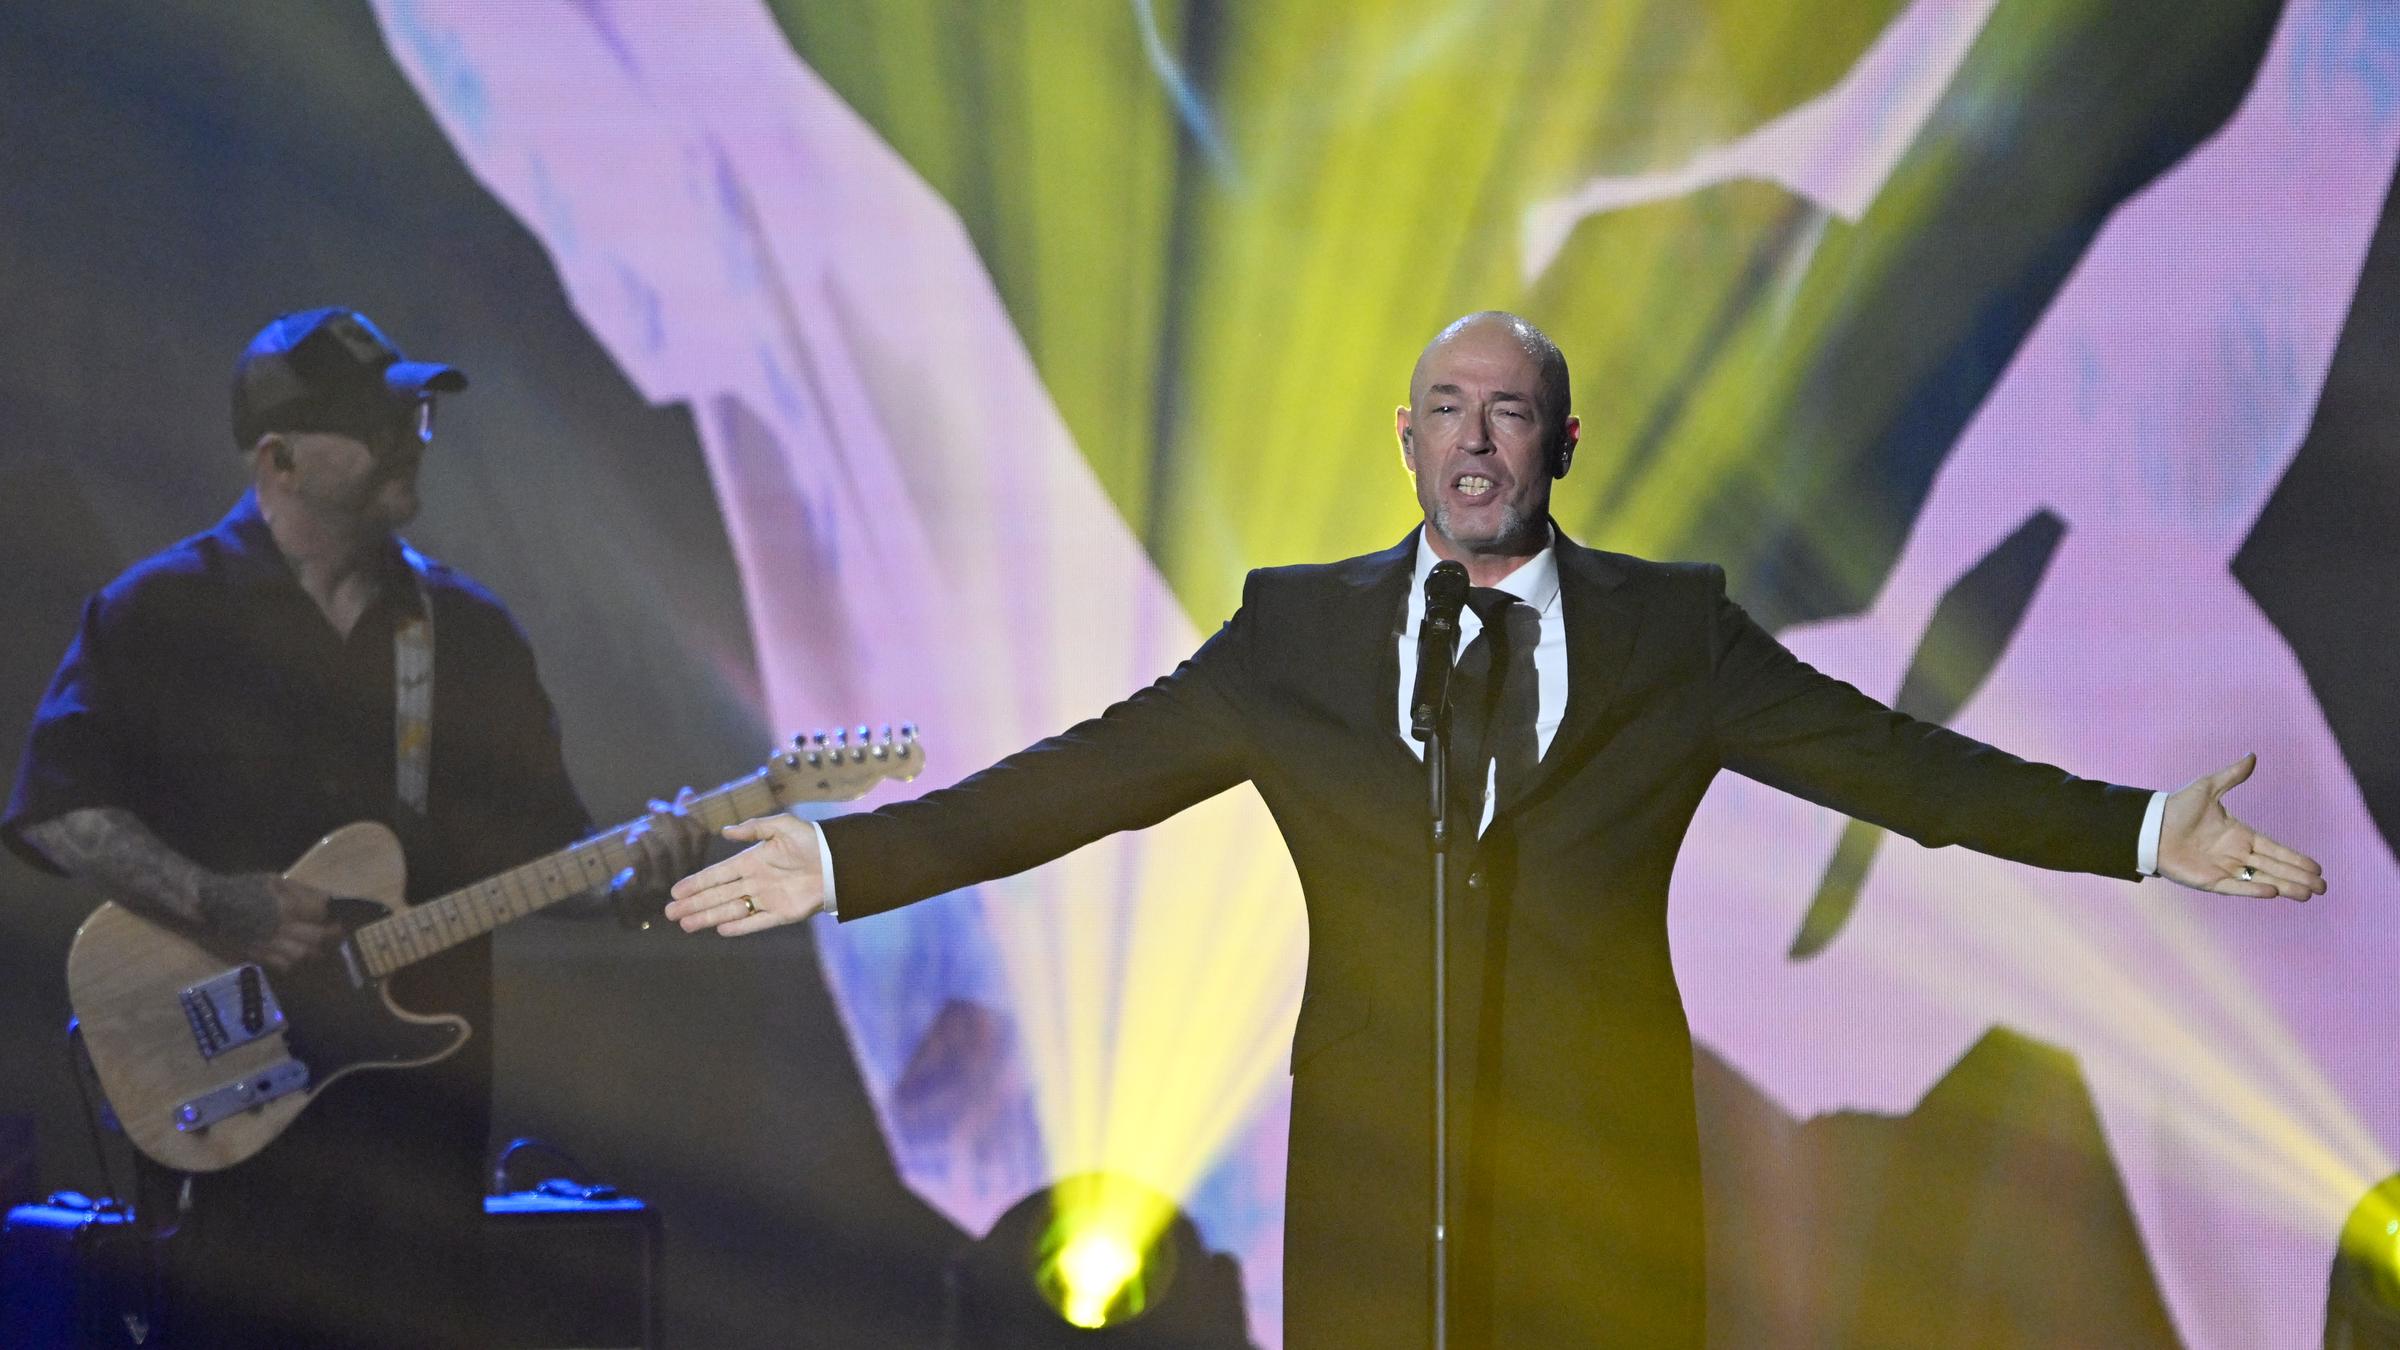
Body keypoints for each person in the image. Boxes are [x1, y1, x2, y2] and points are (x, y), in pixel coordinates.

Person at [664, 311, 2325, 1347]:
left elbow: (1896, 770)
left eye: (1506, 410)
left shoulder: (1672, 636)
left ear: (1559, 441)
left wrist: (2132, 829)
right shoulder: (1296, 637)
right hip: (1386, 1182)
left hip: (1603, 1180)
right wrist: (843, 859)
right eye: (1444, 408)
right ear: (1404, 438)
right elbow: (1081, 779)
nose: (1472, 440)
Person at [2, 308, 697, 1348]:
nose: (411, 436)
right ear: (278, 459)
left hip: (423, 1129)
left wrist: (638, 880)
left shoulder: (468, 633)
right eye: (375, 421)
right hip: (229, 1103)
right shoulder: (160, 612)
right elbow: (57, 810)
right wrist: (213, 901)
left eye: (414, 412)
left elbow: (547, 855)